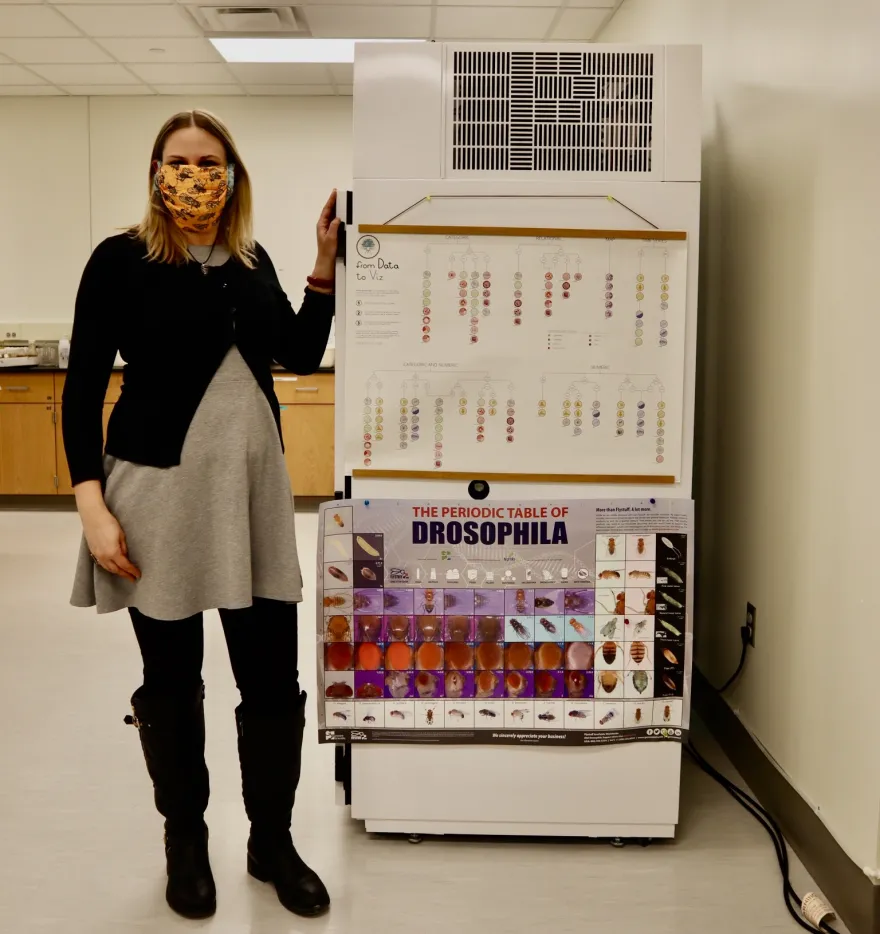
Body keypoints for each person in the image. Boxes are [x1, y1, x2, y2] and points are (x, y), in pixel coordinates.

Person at [62, 109, 337, 920]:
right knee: (173, 682)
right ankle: (185, 840)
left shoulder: (251, 260)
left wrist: (322, 267)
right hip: (155, 495)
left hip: (252, 500)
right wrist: (90, 504)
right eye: (178, 161)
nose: (193, 175)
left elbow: (297, 351)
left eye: (208, 161)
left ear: (232, 172)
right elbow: (80, 389)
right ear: (155, 172)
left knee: (273, 684)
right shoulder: (121, 260)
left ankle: (273, 841)